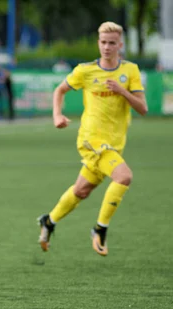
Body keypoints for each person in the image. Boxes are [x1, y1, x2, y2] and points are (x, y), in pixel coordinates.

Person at [38, 22, 148, 256]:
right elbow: (60, 90)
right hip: (91, 140)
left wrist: (123, 92)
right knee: (124, 176)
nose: (107, 47)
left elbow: (143, 109)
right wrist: (57, 114)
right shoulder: (85, 70)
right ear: (98, 43)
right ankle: (100, 230)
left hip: (114, 143)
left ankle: (49, 221)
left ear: (120, 45)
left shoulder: (130, 71)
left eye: (112, 43)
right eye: (103, 42)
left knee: (81, 191)